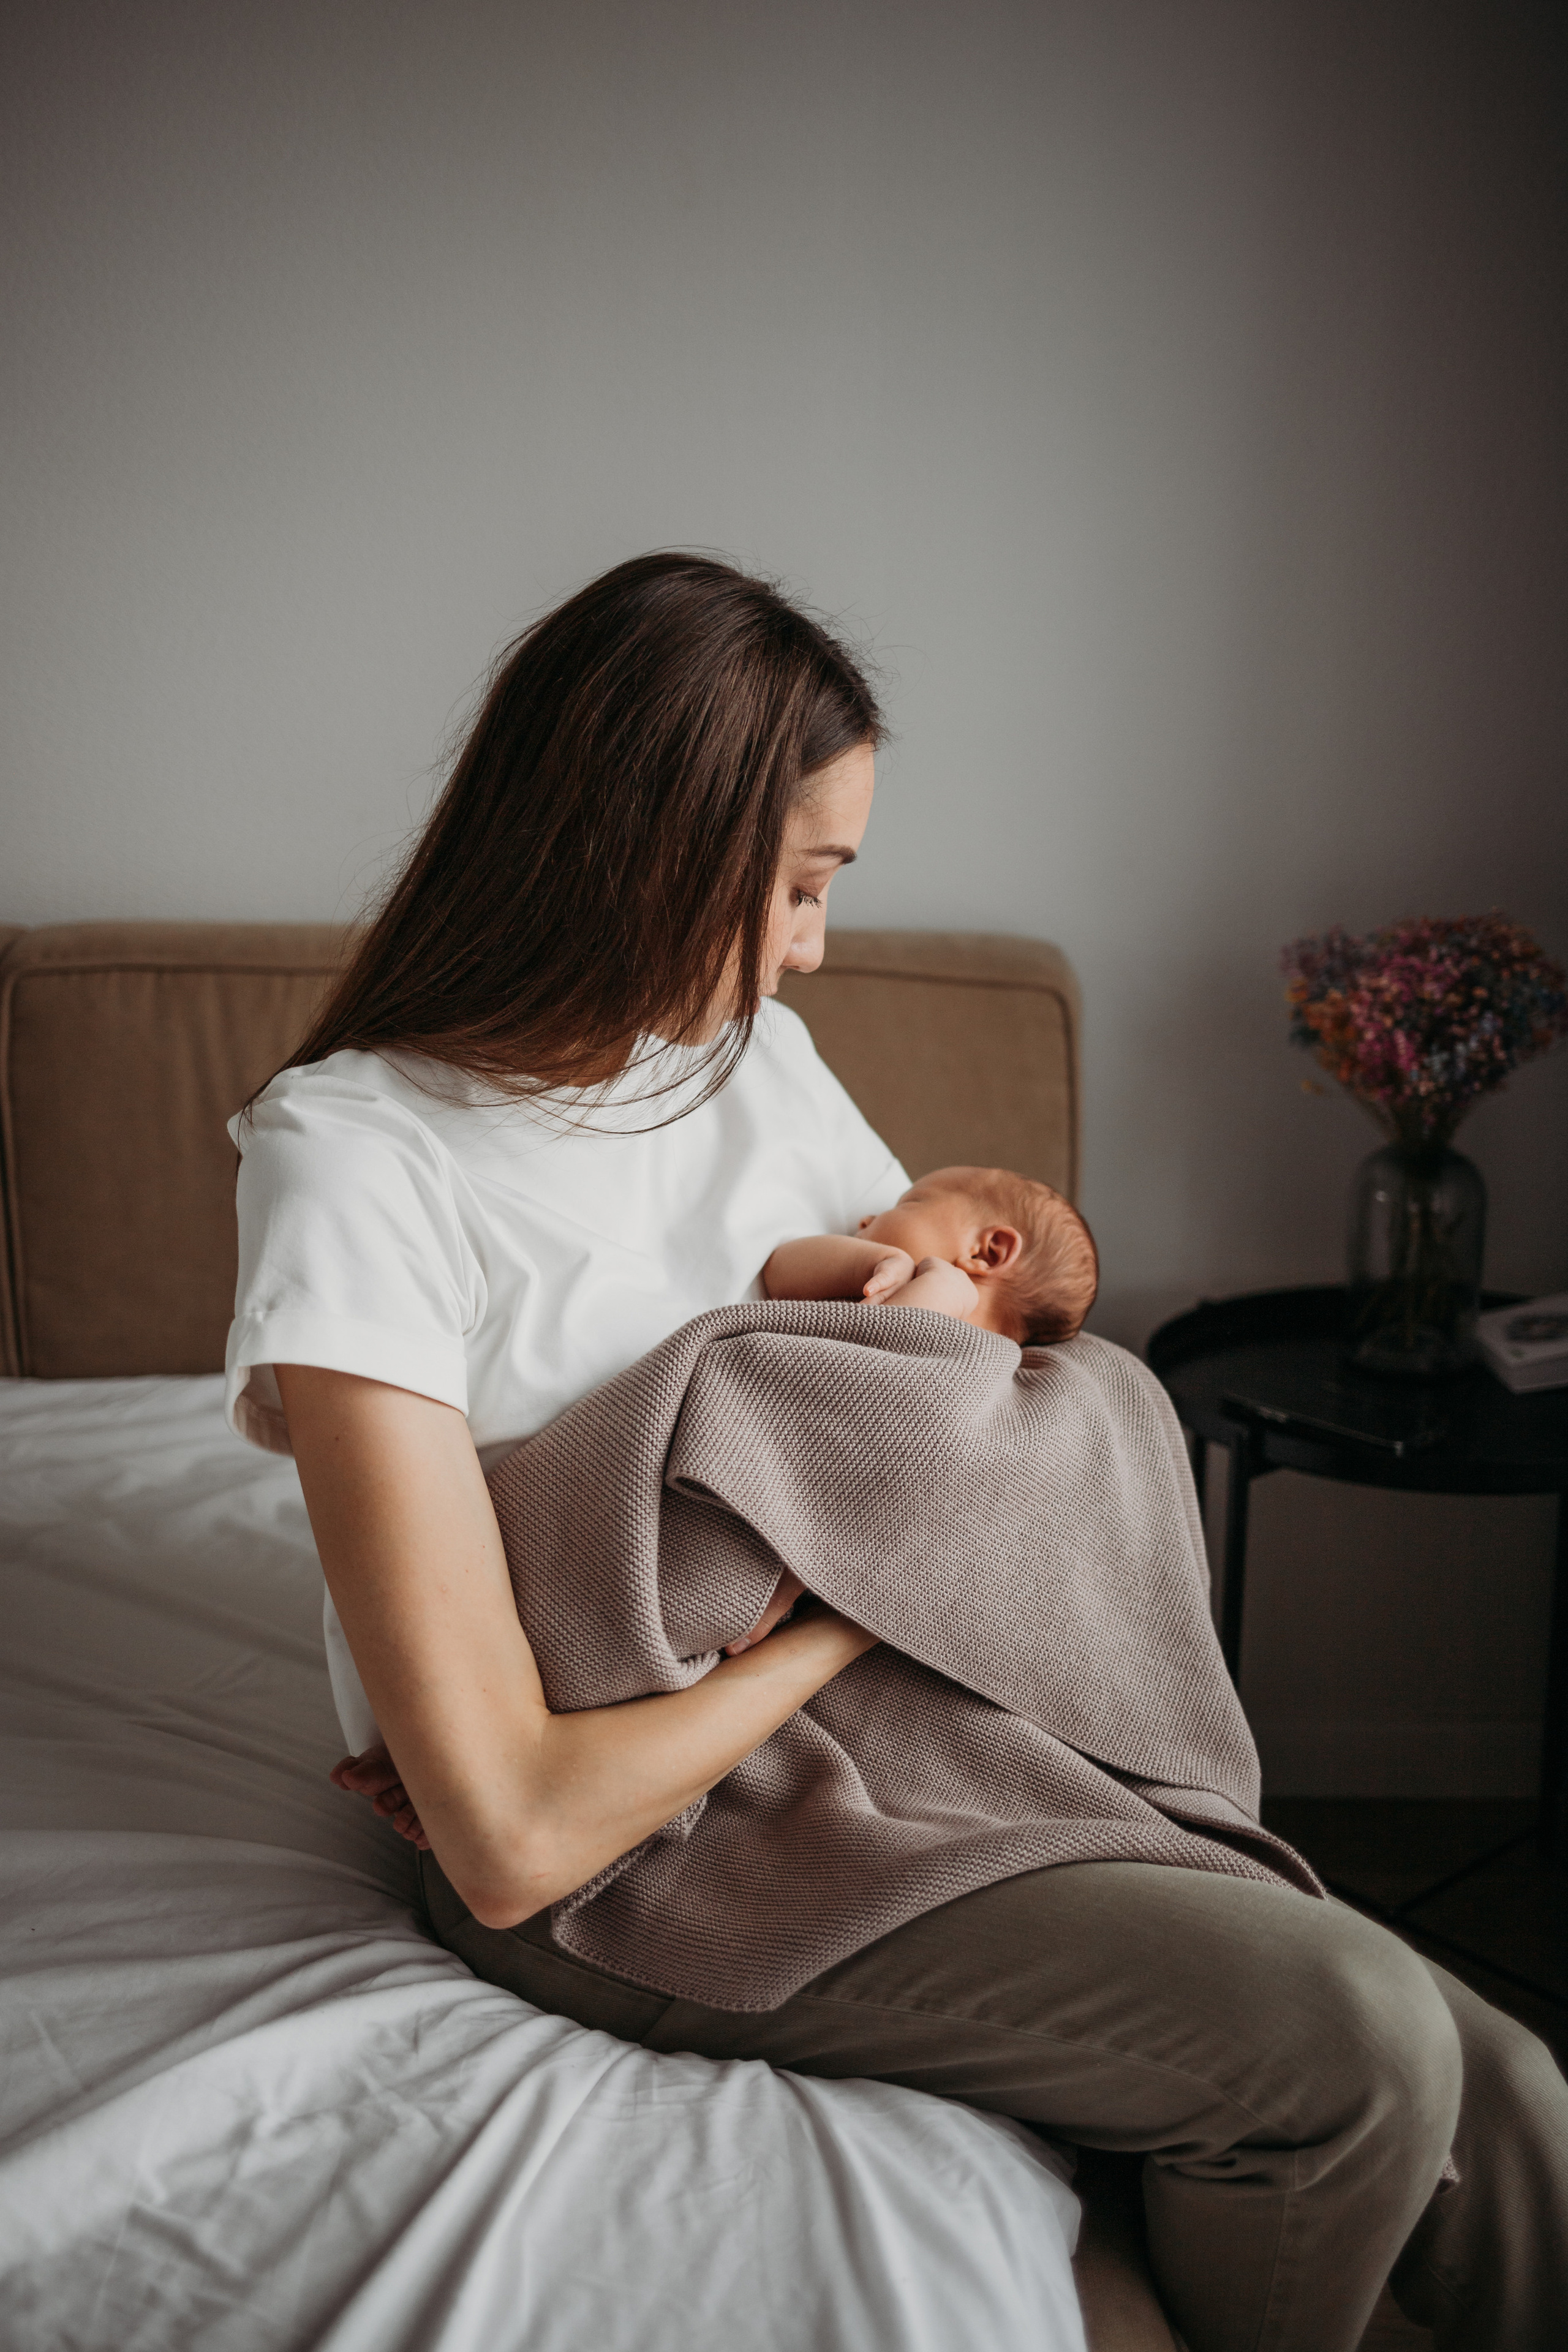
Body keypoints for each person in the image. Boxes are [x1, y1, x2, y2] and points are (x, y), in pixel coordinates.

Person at [227, 552, 1568, 2352]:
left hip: (899, 1745)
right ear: (644, 848)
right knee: (1357, 2043)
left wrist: (931, 1513)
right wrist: (844, 1616)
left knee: (1519, 2103)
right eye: (793, 884)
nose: (810, 948)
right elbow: (514, 1833)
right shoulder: (357, 1156)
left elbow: (941, 1381)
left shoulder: (748, 1061)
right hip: (647, 1846)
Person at [761, 1165, 1099, 1342]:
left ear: (987, 1253)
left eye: (912, 1204)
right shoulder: (873, 1279)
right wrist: (870, 1262)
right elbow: (778, 1269)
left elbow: (878, 1355)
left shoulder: (978, 1358)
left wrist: (941, 1290)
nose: (867, 1218)